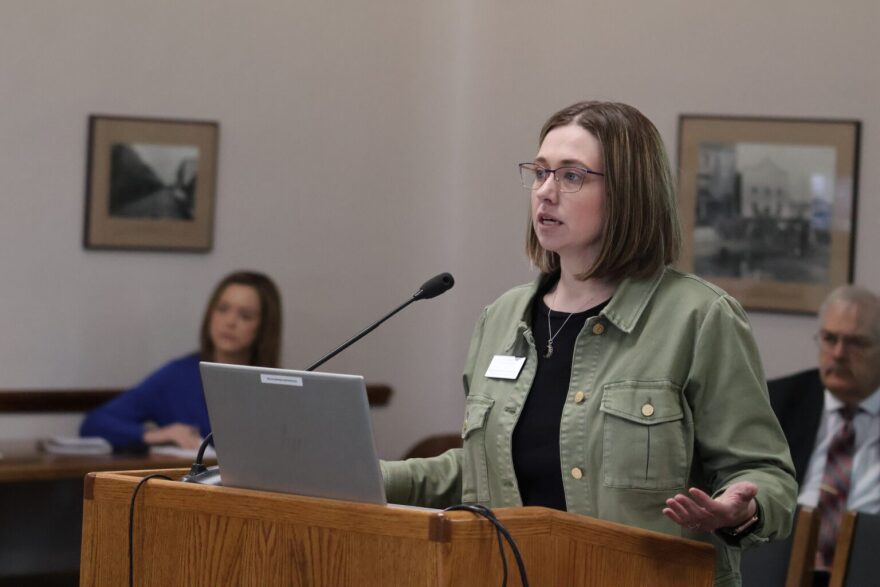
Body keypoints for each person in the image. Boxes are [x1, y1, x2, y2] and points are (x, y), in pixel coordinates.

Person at [380, 101, 796, 586]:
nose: (546, 192)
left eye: (572, 176)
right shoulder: (501, 319)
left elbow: (767, 475)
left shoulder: (699, 318)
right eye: (539, 173)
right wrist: (363, 475)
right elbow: (479, 470)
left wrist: (739, 509)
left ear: (627, 193)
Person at [80, 271, 282, 450]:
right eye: (222, 309)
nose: (230, 322)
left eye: (245, 316)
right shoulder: (179, 376)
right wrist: (158, 435)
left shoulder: (275, 386)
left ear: (264, 326)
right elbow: (95, 423)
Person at [768, 285, 880, 579]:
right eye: (830, 339)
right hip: (783, 568)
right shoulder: (778, 401)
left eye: (856, 342)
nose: (839, 354)